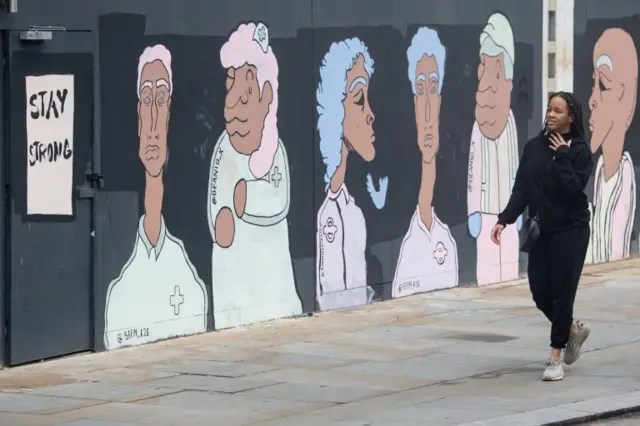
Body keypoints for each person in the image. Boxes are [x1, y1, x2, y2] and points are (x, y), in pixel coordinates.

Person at [104, 45, 208, 350]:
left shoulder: (189, 280)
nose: (152, 121)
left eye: (160, 99)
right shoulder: (118, 291)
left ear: (170, 112)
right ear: (137, 116)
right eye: (146, 99)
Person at [491, 92, 594, 381]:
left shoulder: (579, 151)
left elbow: (573, 189)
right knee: (540, 292)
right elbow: (521, 189)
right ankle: (572, 329)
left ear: (571, 117)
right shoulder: (534, 147)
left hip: (571, 230)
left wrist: (562, 155)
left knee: (563, 293)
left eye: (558, 111)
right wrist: (504, 219)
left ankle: (555, 355)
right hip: (541, 231)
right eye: (549, 109)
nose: (551, 115)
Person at [208, 22, 302, 330]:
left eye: (245, 97)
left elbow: (278, 200)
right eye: (230, 93)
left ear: (265, 96)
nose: (233, 108)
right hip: (232, 285)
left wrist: (245, 196)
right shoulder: (224, 149)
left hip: (273, 283)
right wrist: (220, 213)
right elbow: (216, 197)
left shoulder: (274, 151)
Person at [392, 26, 458, 299]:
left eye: (433, 87)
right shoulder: (405, 243)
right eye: (420, 89)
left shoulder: (448, 241)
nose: (429, 110)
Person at [315, 37, 376, 311]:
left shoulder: (355, 214)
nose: (370, 114)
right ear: (335, 107)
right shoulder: (320, 213)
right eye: (359, 99)